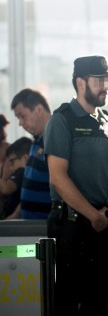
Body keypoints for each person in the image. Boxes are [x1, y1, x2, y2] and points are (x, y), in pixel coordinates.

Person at [44, 55, 108, 316]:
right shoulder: (62, 120)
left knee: (101, 307)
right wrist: (92, 214)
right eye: (100, 80)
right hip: (73, 227)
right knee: (69, 310)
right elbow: (58, 177)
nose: (106, 86)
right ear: (80, 82)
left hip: (105, 228)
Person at [10, 88, 53, 219]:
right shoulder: (37, 141)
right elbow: (29, 184)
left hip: (47, 229)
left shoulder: (56, 139)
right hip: (30, 226)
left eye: (22, 116)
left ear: (39, 109)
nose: (20, 123)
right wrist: (16, 215)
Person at [0, 137, 32, 219]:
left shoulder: (21, 172)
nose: (10, 166)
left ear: (25, 158)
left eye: (12, 161)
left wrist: (5, 167)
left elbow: (5, 189)